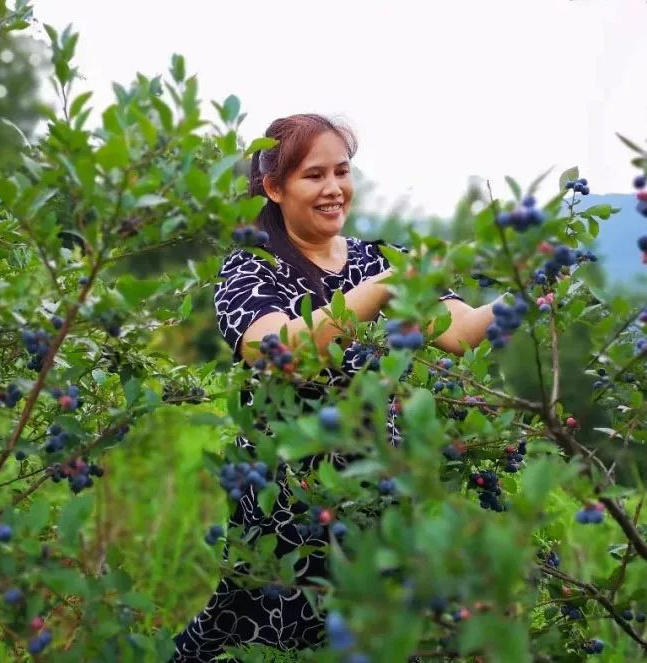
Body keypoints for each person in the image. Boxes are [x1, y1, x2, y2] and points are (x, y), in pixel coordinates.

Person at [170, 113, 499, 662]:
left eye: (341, 171)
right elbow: (277, 350)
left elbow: (460, 333)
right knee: (269, 641)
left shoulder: (378, 258)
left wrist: (531, 300)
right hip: (289, 505)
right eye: (313, 175)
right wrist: (379, 293)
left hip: (374, 497)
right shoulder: (251, 269)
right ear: (274, 188)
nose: (333, 189)